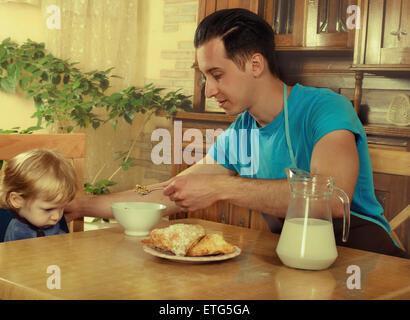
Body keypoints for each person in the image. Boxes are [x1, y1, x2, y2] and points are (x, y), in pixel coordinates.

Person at [64, 8, 408, 258]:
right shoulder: (240, 132)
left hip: (367, 260)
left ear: (255, 65)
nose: (209, 90)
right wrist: (80, 205)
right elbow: (171, 192)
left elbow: (331, 199)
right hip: (295, 259)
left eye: (217, 74)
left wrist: (221, 187)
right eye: (204, 77)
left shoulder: (325, 108)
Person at [0, 149, 77, 242]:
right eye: (48, 209)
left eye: (62, 208)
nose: (56, 217)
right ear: (17, 200)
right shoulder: (13, 228)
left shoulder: (48, 216)